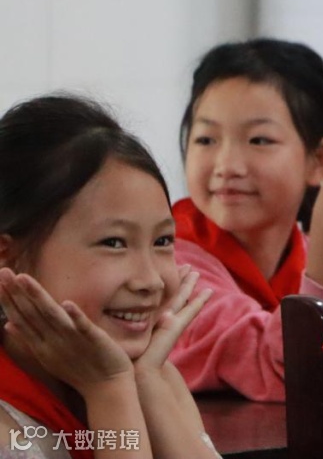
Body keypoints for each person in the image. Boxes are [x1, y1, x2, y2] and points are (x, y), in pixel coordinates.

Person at [168, 38, 323, 401]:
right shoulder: (169, 269)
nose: (227, 165)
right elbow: (299, 372)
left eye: (259, 140)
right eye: (206, 139)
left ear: (319, 160)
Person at [0, 94, 218, 459]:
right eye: (114, 242)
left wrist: (146, 382)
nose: (151, 281)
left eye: (162, 241)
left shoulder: (154, 375)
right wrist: (109, 390)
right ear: (8, 257)